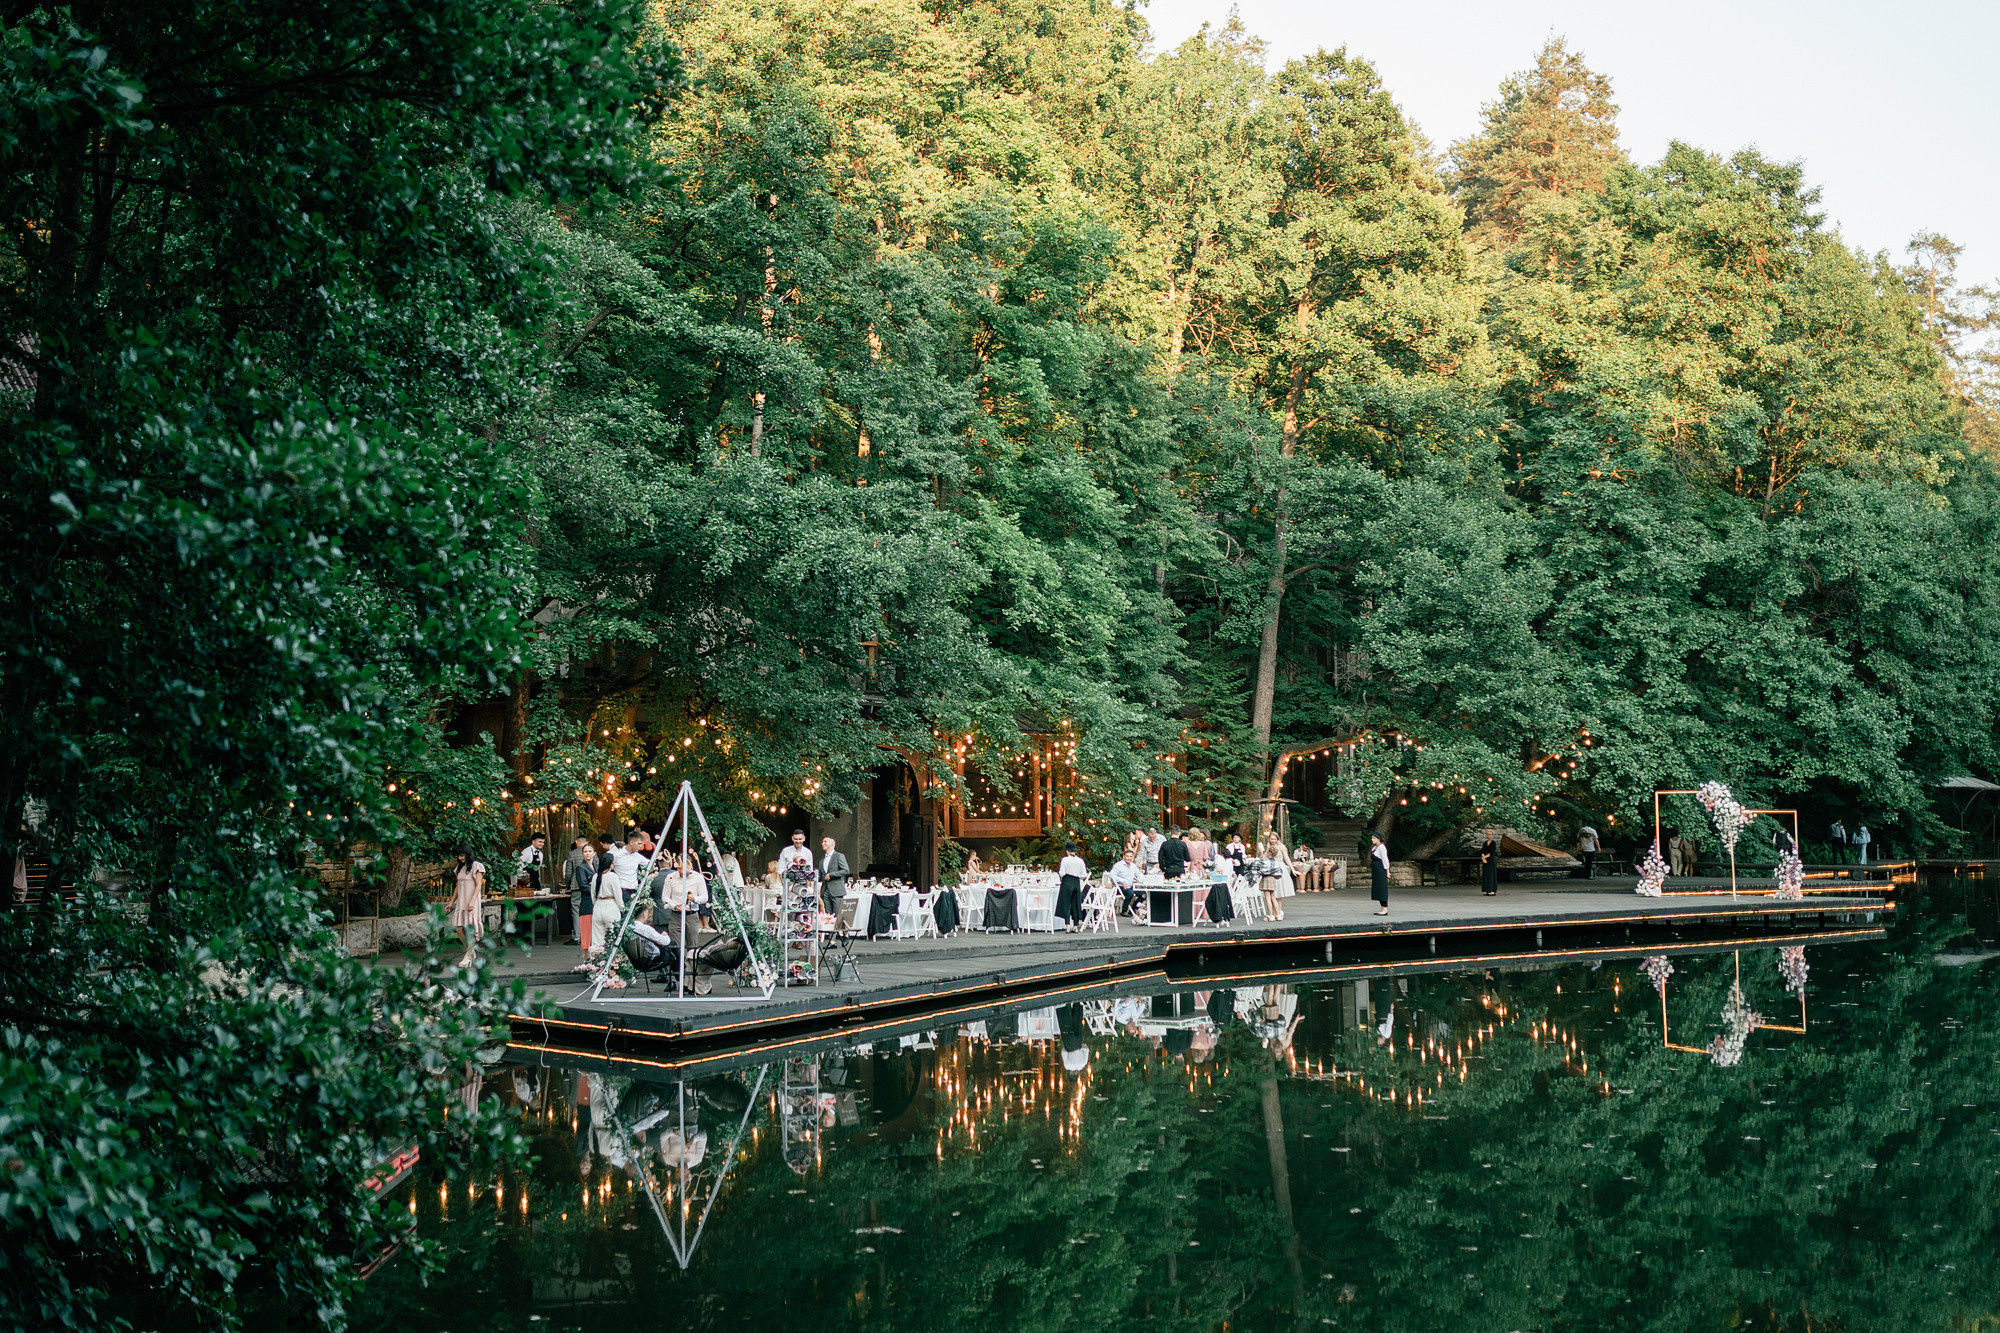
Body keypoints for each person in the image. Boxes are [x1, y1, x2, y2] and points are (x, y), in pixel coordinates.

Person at [448, 845, 486, 964]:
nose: (460, 858)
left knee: (471, 929)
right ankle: (470, 950)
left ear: (468, 854)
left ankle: (467, 957)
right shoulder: (459, 868)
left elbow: (478, 885)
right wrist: (451, 902)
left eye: (462, 855)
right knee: (459, 929)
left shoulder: (477, 866)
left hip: (472, 901)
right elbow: (458, 887)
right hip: (462, 902)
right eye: (458, 856)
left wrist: (472, 901)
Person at [566, 837, 594, 949]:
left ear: (576, 842)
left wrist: (567, 885)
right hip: (590, 887)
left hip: (575, 885)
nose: (587, 853)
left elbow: (568, 872)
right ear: (586, 842)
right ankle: (589, 935)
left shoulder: (572, 854)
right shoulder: (594, 855)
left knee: (576, 910)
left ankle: (578, 935)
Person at [1056, 843, 1088, 931]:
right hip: (1076, 881)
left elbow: (1062, 873)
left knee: (1066, 903)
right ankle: (1075, 926)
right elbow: (1084, 875)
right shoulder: (1080, 861)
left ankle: (1067, 925)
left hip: (1067, 881)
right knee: (1075, 903)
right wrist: (1077, 876)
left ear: (1067, 851)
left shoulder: (1065, 860)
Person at [818, 835, 850, 914]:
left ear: (832, 843)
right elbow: (821, 876)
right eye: (822, 842)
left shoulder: (839, 856)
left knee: (837, 915)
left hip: (836, 891)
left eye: (825, 842)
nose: (823, 843)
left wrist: (831, 875)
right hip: (825, 891)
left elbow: (846, 871)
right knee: (827, 916)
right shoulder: (822, 861)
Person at [1107, 849, 1141, 916]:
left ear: (1133, 857)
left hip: (1130, 886)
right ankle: (1124, 911)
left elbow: (1139, 874)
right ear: (1124, 857)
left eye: (1130, 856)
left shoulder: (1133, 866)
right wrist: (1122, 881)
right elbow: (1111, 875)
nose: (1129, 858)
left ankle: (1133, 910)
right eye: (1127, 856)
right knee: (1130, 893)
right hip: (1119, 887)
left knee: (1143, 894)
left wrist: (1138, 879)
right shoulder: (1118, 865)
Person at [1368, 832, 1390, 917]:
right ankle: (1382, 908)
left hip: (1381, 870)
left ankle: (1385, 908)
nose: (1372, 840)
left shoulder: (1382, 847)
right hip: (1376, 870)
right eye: (1372, 838)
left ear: (1378, 839)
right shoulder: (1375, 847)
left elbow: (1385, 859)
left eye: (1374, 838)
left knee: (1382, 888)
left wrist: (1387, 871)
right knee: (1377, 888)